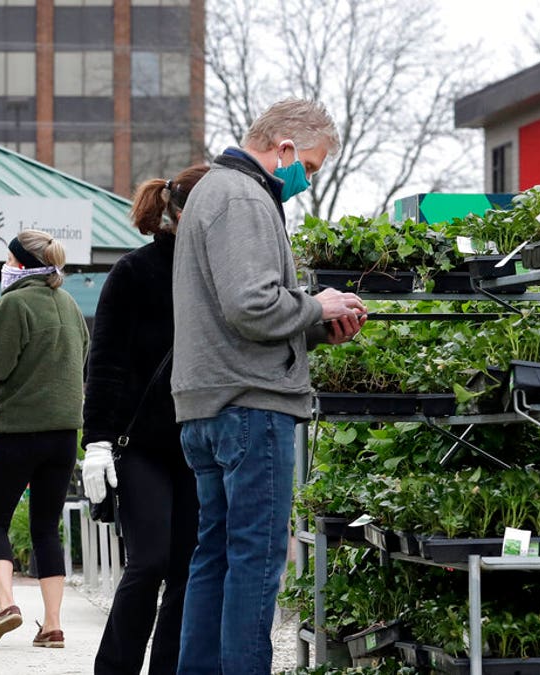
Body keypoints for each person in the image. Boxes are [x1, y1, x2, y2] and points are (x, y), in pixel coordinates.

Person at [170, 99, 366, 673]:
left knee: (215, 557)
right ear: (283, 149)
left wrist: (315, 327)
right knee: (255, 560)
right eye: (312, 163)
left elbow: (233, 312)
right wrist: (318, 303)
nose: (311, 175)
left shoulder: (211, 191)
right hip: (250, 408)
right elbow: (251, 306)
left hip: (210, 405)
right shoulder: (243, 198)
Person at [82, 164, 209, 675]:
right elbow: (105, 361)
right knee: (150, 561)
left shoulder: (217, 272)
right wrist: (97, 441)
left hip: (201, 439)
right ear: (181, 211)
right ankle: (114, 667)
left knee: (186, 570)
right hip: (139, 445)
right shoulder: (134, 272)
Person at [0, 229, 89, 650]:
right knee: (45, 528)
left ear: (19, 263)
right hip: (63, 435)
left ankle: (6, 605)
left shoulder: (15, 301)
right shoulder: (70, 304)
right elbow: (76, 358)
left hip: (18, 431)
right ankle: (53, 624)